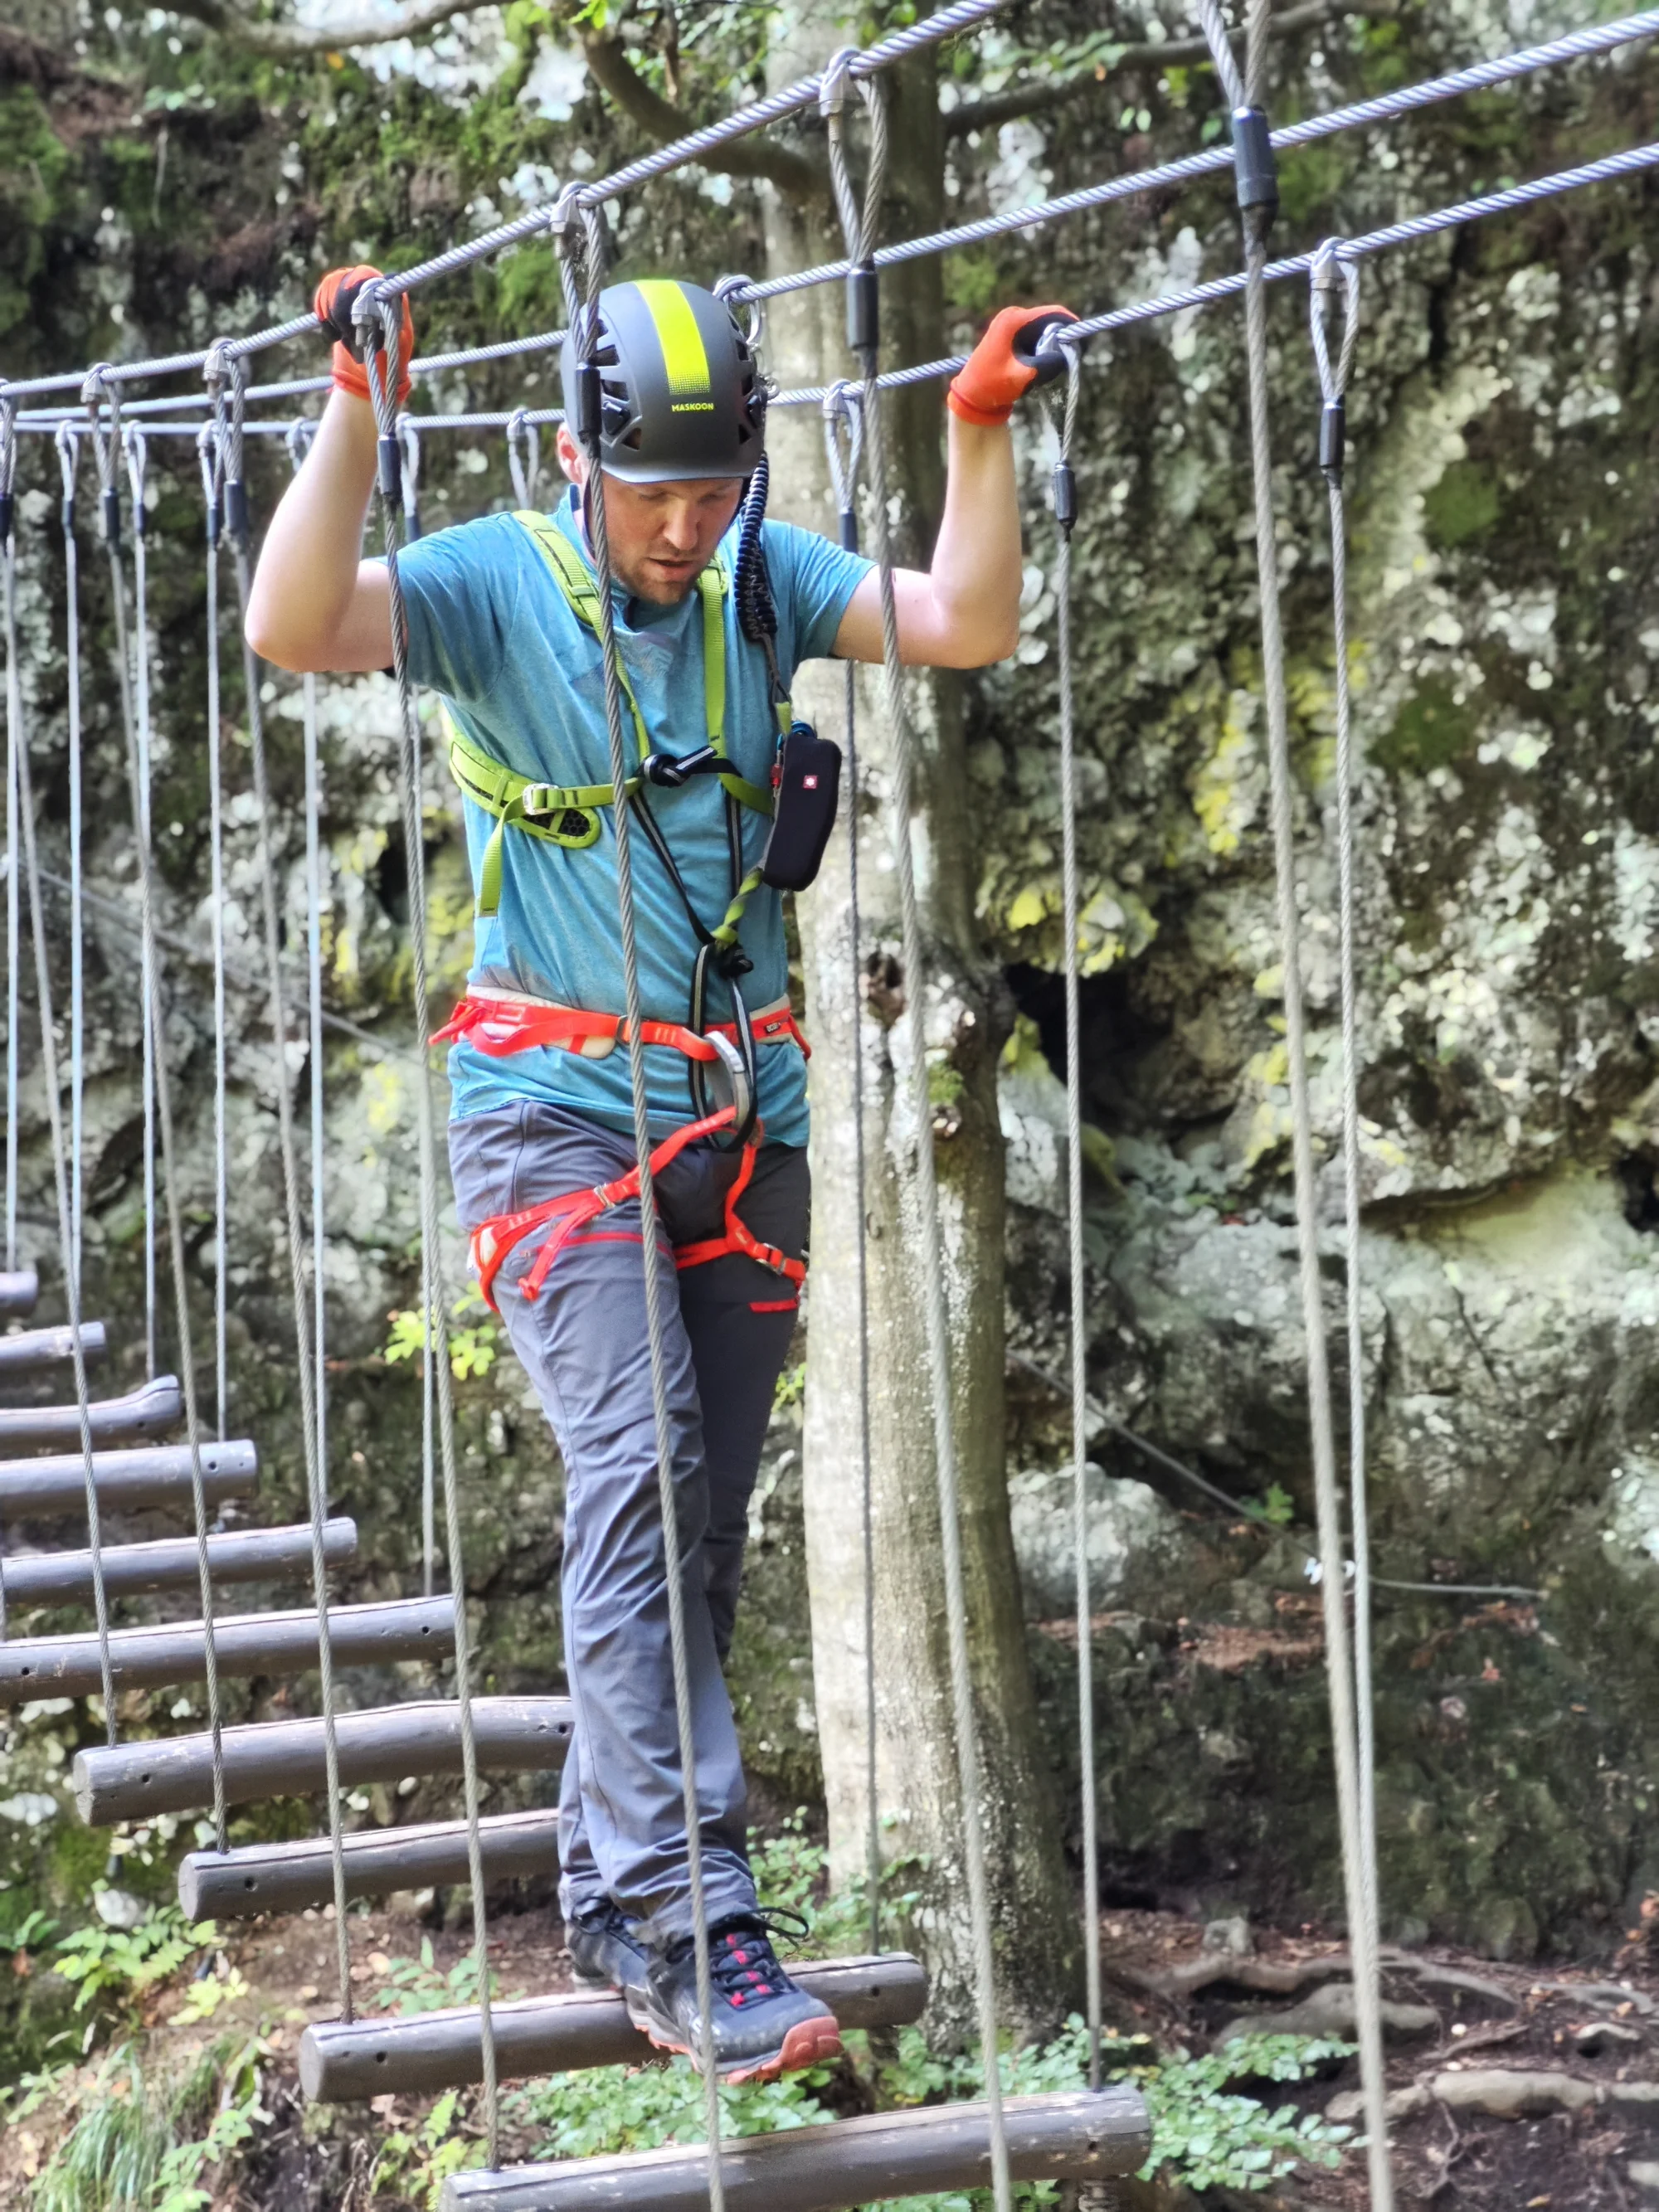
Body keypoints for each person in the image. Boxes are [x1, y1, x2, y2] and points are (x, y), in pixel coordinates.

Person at [246, 269, 1073, 2082]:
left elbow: (962, 620)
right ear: (575, 460)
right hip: (552, 1117)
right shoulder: (489, 583)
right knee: (639, 1468)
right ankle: (702, 1921)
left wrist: (975, 435)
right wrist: (357, 414)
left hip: (744, 1121)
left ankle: (610, 1892)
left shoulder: (763, 575)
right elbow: (297, 624)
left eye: (713, 487)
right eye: (651, 493)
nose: (685, 527)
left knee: (691, 1530)